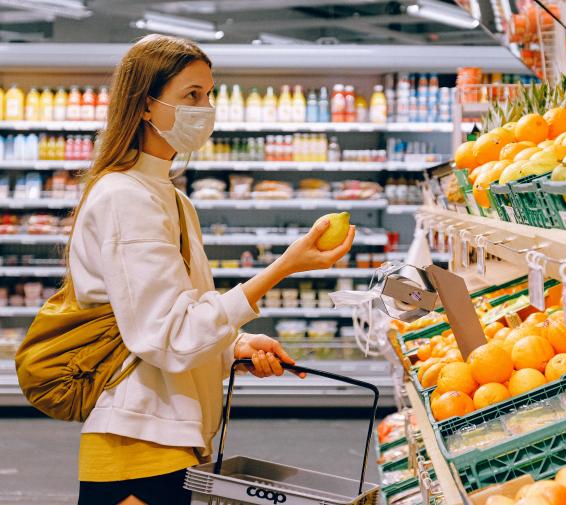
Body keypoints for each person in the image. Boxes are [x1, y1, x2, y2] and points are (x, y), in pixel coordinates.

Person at [70, 34, 355, 505]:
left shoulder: (171, 198)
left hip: (170, 437)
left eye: (210, 94)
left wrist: (232, 346)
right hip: (138, 444)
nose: (206, 108)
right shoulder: (125, 197)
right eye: (192, 96)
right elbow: (167, 336)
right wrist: (283, 267)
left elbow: (174, 319)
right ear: (145, 105)